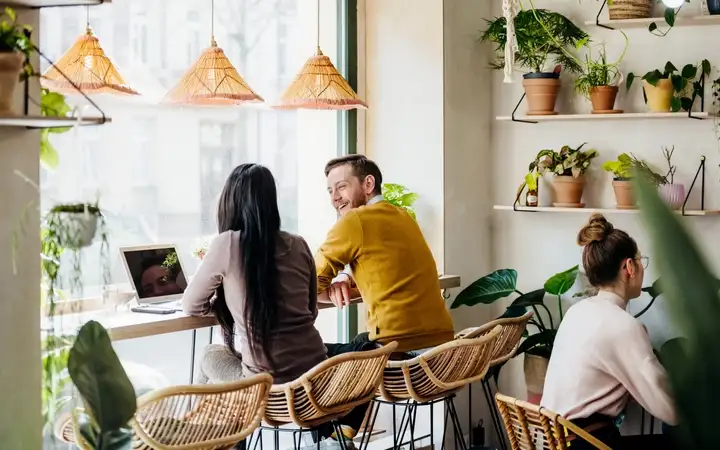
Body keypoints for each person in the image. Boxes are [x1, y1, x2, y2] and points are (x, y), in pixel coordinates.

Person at [313, 154, 455, 445]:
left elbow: (308, 282)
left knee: (313, 356)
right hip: (443, 353)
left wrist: (330, 284)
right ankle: (344, 432)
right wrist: (346, 280)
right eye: (330, 190)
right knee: (362, 346)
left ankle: (331, 437)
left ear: (368, 184)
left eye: (341, 187)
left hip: (401, 356)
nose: (334, 198)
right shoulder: (403, 216)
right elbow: (391, 266)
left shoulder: (354, 220)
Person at [541, 214, 678, 450]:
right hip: (590, 444)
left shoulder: (577, 312)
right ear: (629, 267)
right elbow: (670, 409)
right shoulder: (624, 326)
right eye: (640, 260)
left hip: (556, 441)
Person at [182, 163, 327, 386]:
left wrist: (229, 308)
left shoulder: (227, 243)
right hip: (317, 379)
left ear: (230, 202)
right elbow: (311, 311)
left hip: (268, 387)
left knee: (208, 354)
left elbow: (191, 305)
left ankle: (196, 420)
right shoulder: (298, 244)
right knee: (239, 357)